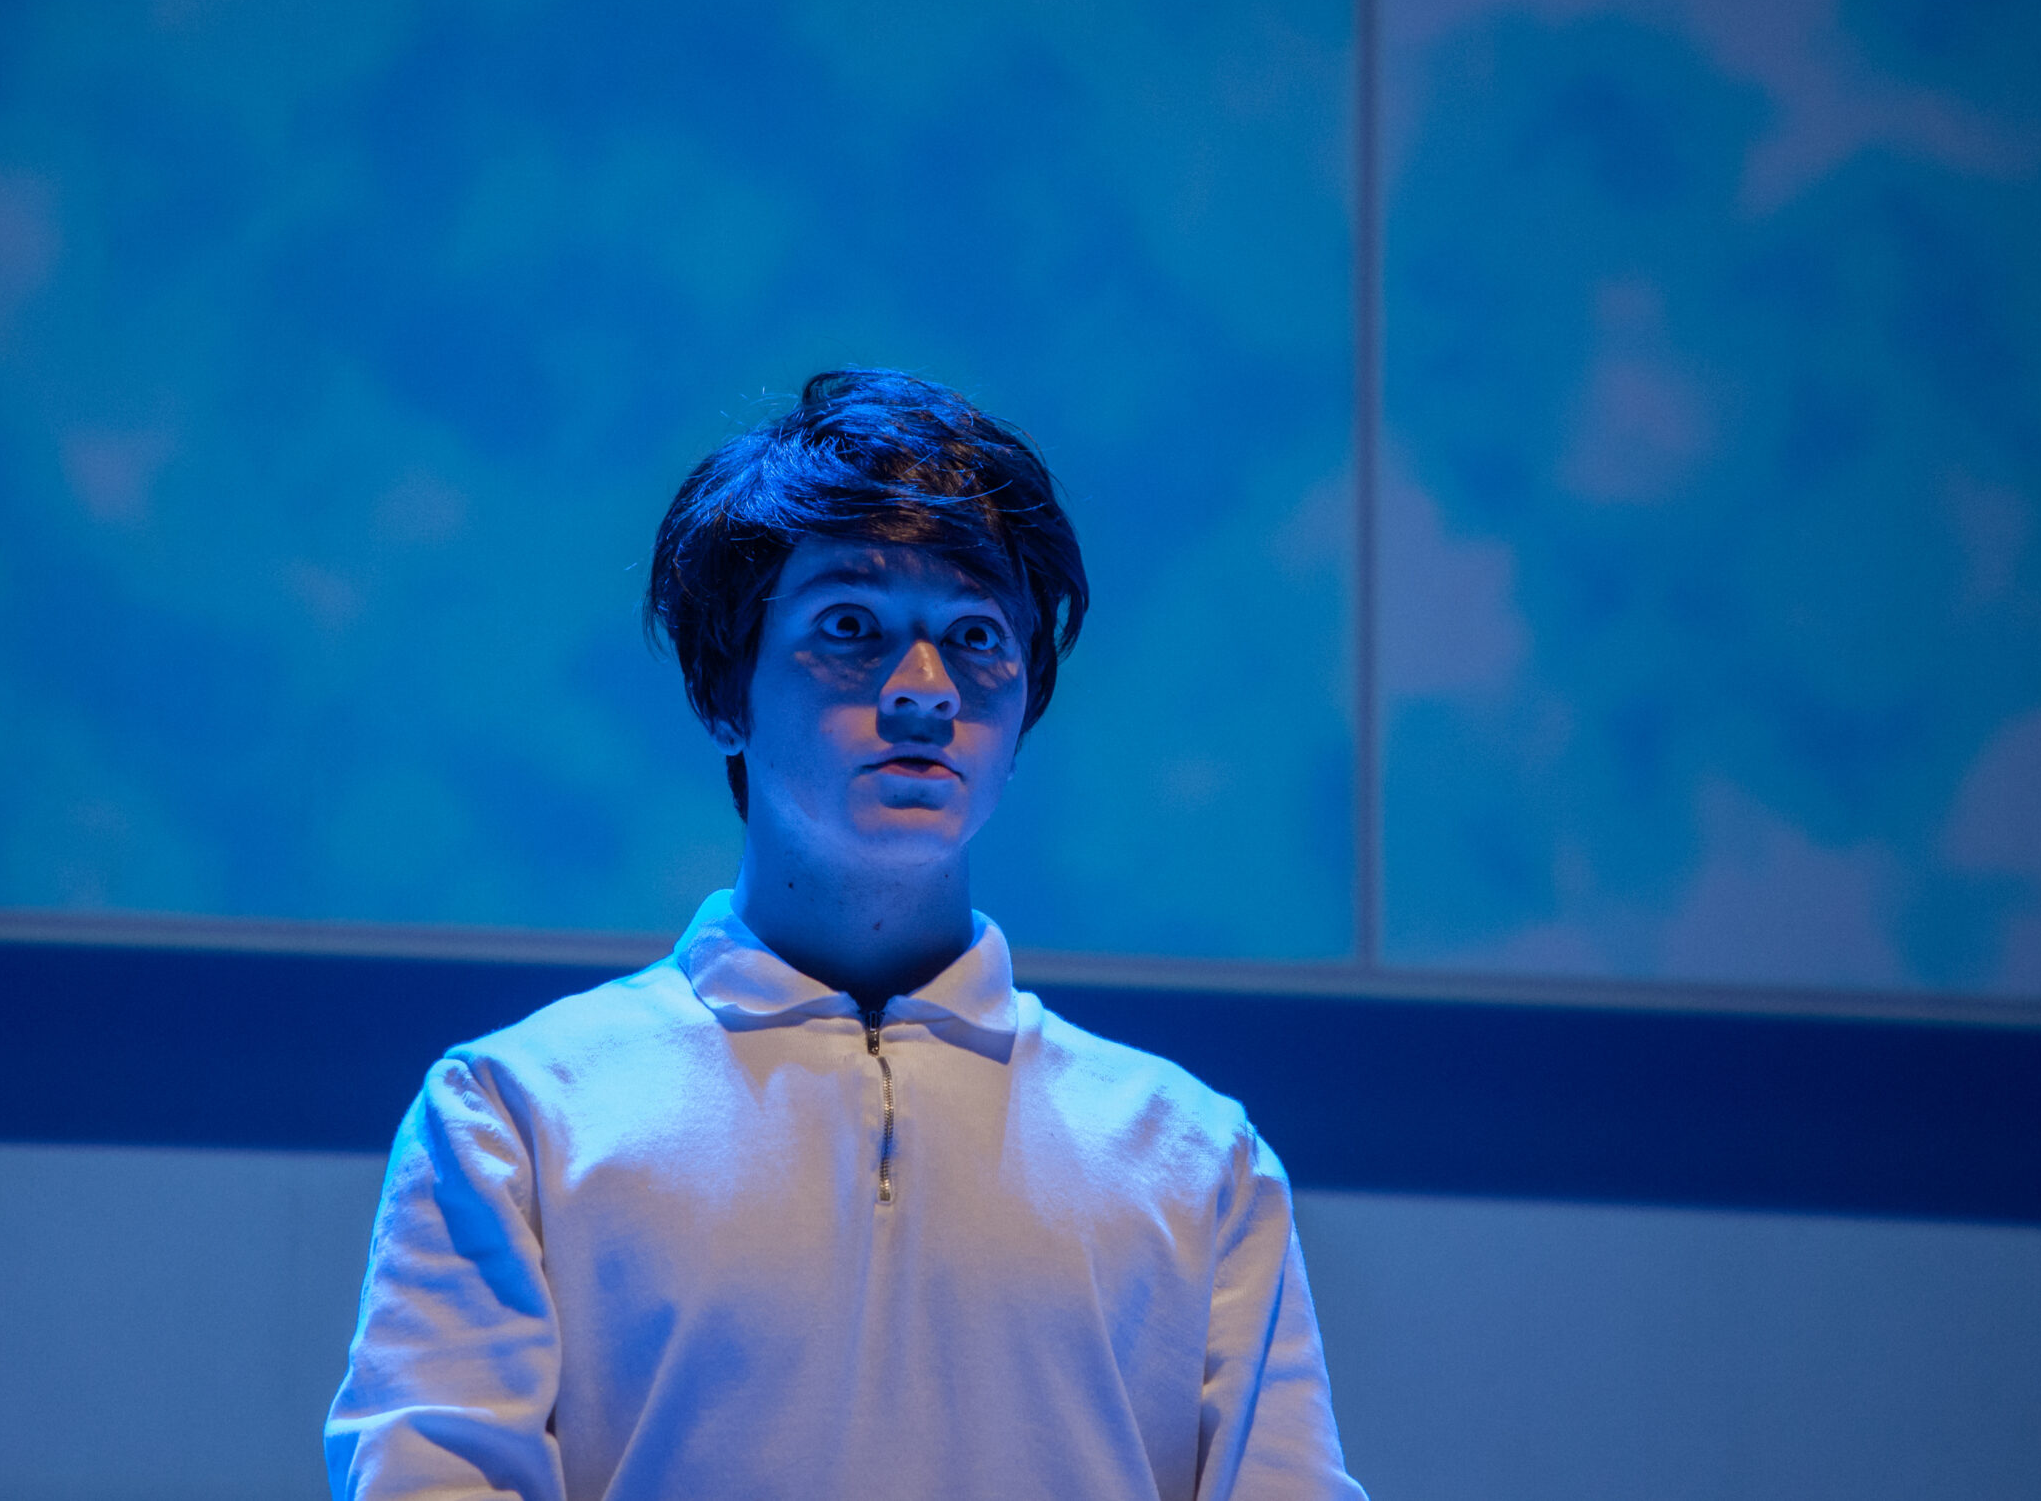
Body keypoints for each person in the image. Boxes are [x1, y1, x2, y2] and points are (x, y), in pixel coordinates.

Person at [326, 371, 1367, 1500]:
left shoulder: (1195, 1157)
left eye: (976, 635)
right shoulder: (518, 1115)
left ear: (1024, 706)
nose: (925, 690)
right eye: (850, 626)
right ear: (723, 692)